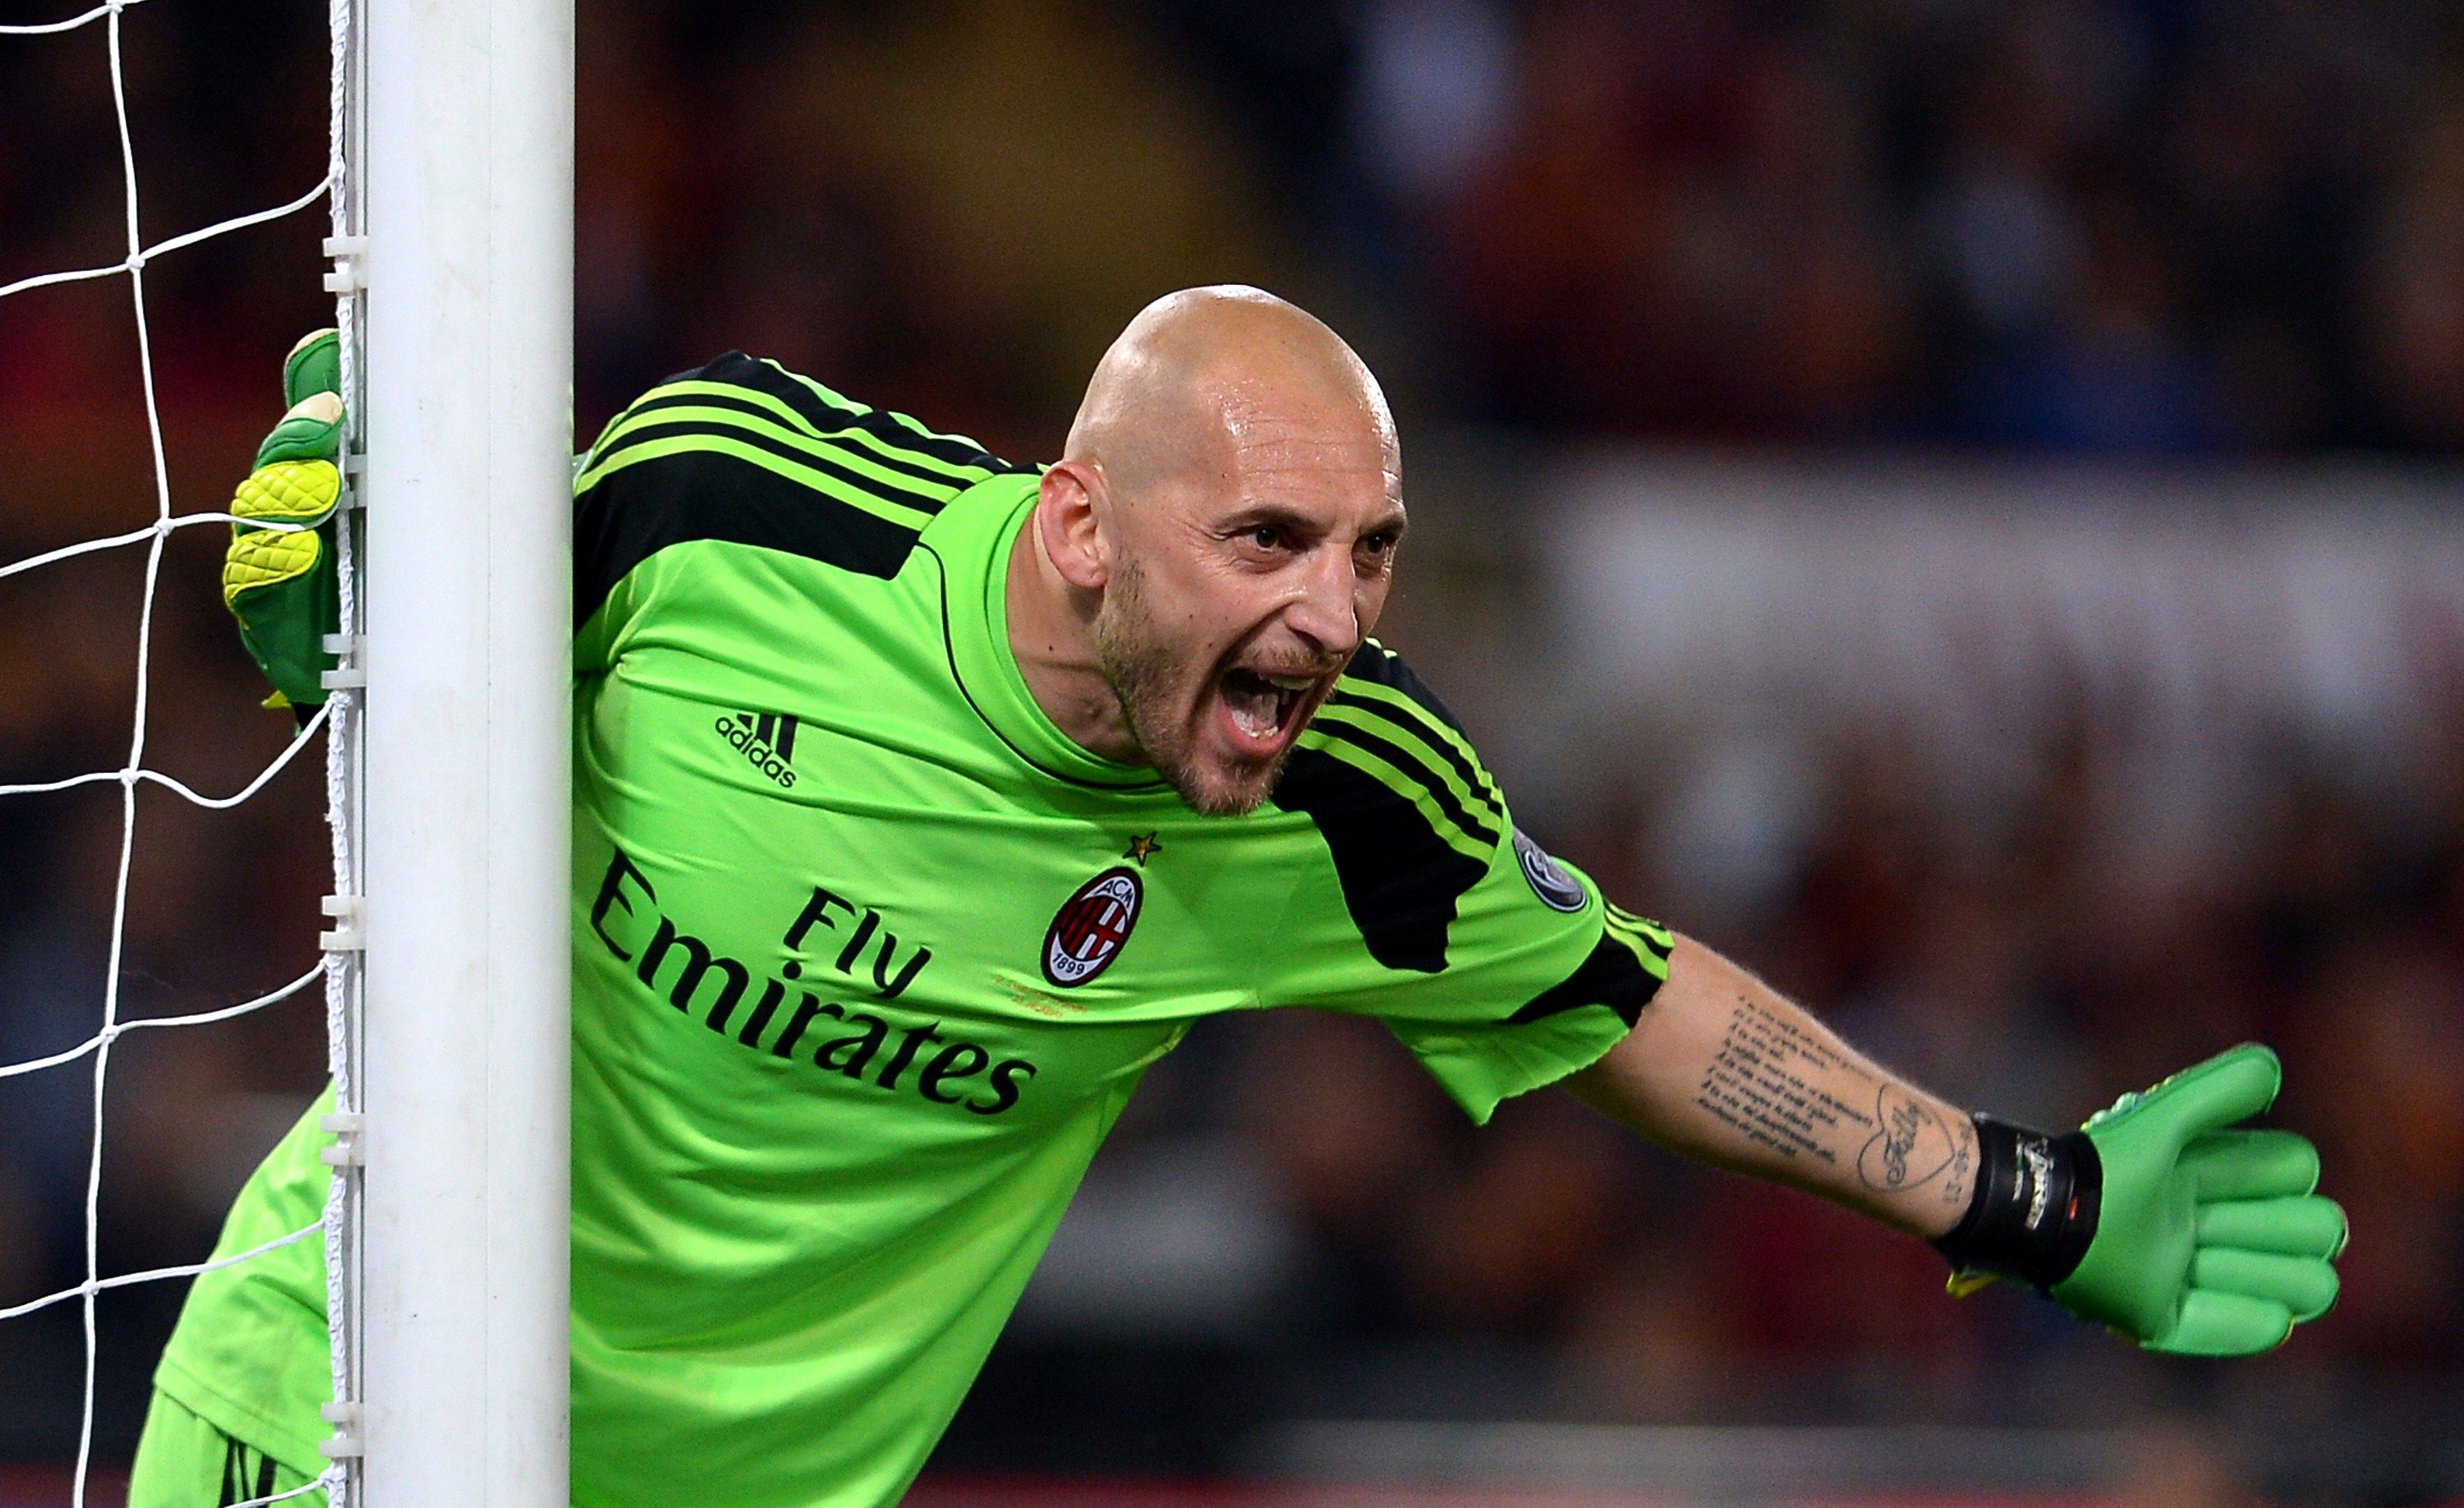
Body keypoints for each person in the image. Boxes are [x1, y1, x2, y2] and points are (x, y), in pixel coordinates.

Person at [139, 287, 2344, 1507]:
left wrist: (2027, 1196)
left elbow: (1633, 998)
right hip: (330, 1388)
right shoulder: (727, 513)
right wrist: (346, 607)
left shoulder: (1347, 797)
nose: (1332, 617)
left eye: (1369, 554)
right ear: (1083, 521)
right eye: (1268, 541)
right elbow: (417, 672)